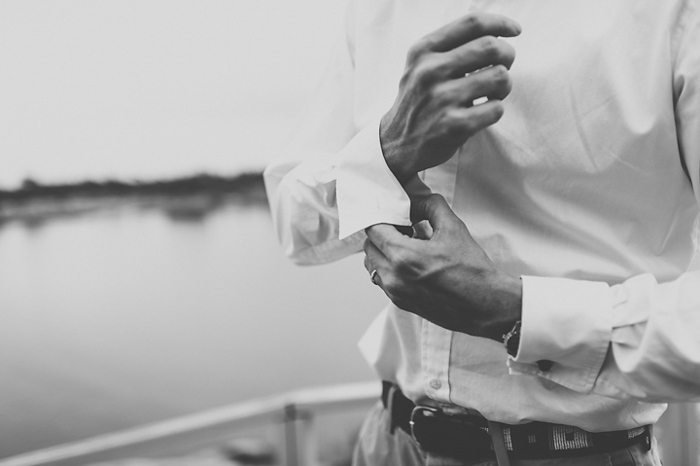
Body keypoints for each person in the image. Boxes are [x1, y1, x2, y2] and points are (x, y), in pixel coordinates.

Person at [264, 1, 700, 465]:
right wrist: (384, 152)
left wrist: (509, 312)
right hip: (389, 445)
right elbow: (295, 226)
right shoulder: (375, 11)